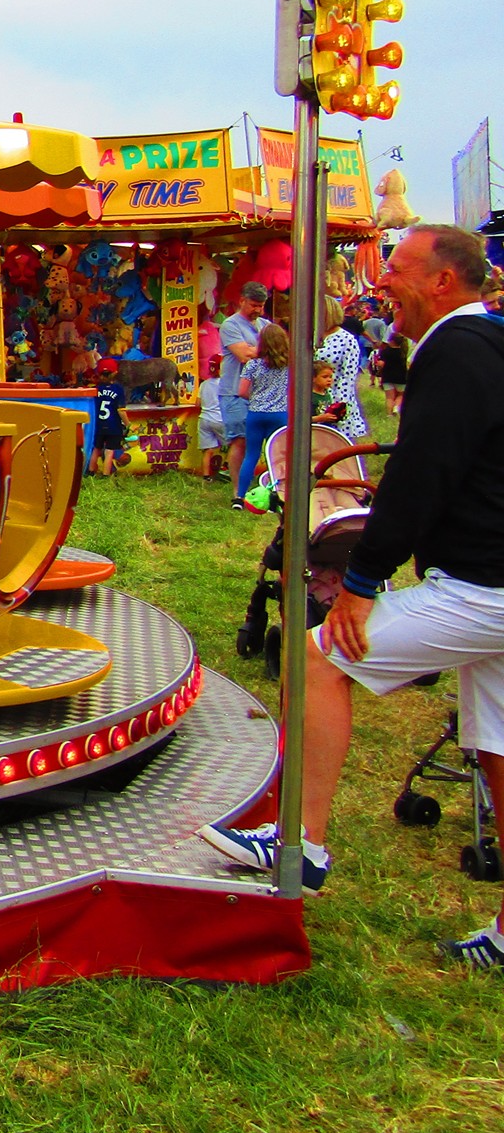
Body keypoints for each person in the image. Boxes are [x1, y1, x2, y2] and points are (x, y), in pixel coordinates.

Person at [202, 226, 504, 968]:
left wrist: (362, 582)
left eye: (396, 270)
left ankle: (300, 843)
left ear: (442, 281)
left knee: (318, 658)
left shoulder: (456, 352)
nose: (380, 285)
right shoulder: (490, 343)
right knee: (498, 754)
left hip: (483, 586)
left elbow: (421, 473)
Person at [219, 281, 271, 501]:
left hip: (262, 394)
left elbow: (279, 350)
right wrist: (269, 351)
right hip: (234, 392)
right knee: (239, 440)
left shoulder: (266, 325)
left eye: (261, 305)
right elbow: (244, 355)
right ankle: (238, 493)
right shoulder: (230, 325)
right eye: (253, 305)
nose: (257, 310)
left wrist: (257, 350)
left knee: (264, 441)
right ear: (241, 301)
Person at [233, 322, 290, 504]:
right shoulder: (290, 365)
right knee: (278, 455)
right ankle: (278, 494)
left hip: (256, 413)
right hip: (280, 414)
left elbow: (241, 391)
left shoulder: (253, 365)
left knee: (251, 455)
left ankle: (240, 497)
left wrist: (257, 398)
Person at [314, 295, 368, 446]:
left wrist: (338, 407)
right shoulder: (310, 336)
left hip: (334, 399)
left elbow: (348, 377)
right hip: (311, 401)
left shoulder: (346, 340)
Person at [90, 358, 127, 477]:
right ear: (115, 373)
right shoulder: (118, 389)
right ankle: (106, 474)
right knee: (109, 451)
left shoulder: (95, 389)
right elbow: (121, 410)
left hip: (98, 425)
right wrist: (128, 424)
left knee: (96, 448)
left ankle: (91, 472)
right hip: (114, 426)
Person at [195, 354, 225, 480]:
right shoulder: (225, 384)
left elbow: (197, 404)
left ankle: (206, 477)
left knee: (208, 450)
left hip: (204, 419)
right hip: (219, 419)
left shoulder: (204, 384)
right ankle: (226, 468)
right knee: (235, 444)